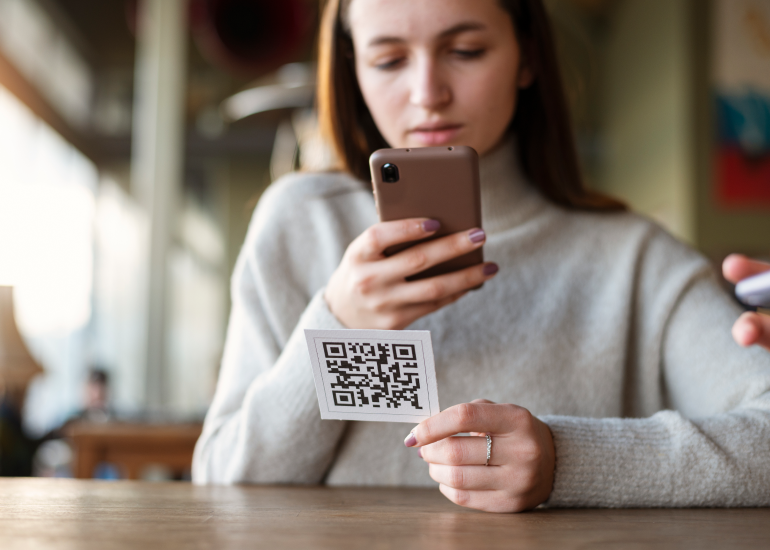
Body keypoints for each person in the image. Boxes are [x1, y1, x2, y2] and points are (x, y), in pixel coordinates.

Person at [192, 0, 770, 512]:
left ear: (527, 57)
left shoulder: (635, 259)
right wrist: (339, 327)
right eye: (388, 60)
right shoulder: (303, 223)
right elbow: (222, 479)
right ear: (353, 69)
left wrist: (567, 460)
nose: (427, 93)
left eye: (465, 50)